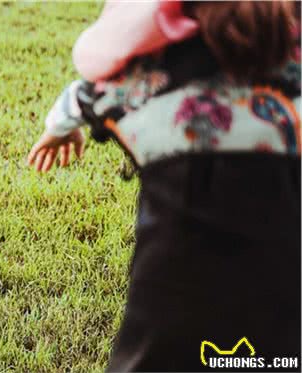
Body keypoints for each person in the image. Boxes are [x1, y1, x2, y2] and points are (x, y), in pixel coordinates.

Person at [28, 1, 301, 371]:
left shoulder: (147, 91)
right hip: (286, 317)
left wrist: (58, 130)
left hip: (166, 319)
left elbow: (81, 98)